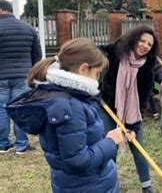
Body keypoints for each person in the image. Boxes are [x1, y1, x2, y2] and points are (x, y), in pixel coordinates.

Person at [7, 38, 124, 192]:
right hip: (87, 186)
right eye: (97, 73)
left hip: (87, 183)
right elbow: (77, 160)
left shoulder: (70, 97)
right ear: (83, 69)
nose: (97, 79)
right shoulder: (69, 106)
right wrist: (110, 141)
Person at [99, 26, 158, 193]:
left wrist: (134, 128)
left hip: (132, 114)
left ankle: (147, 186)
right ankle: (112, 184)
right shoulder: (116, 52)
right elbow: (95, 52)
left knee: (139, 148)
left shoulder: (147, 68)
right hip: (107, 107)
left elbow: (144, 99)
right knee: (111, 147)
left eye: (149, 44)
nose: (145, 46)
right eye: (143, 41)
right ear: (134, 39)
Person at [0, 0, 41, 154]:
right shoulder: (28, 28)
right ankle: (22, 145)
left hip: (1, 77)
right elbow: (37, 55)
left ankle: (3, 144)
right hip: (23, 76)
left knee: (1, 110)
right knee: (20, 110)